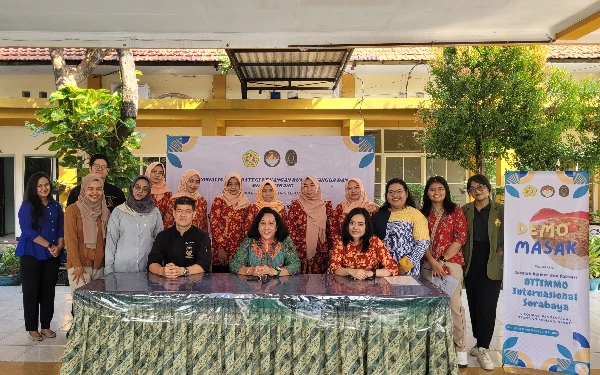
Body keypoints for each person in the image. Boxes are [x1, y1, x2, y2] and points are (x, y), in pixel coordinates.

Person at [420, 176, 468, 368]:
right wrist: (433, 261)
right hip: (428, 265)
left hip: (451, 264)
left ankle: (460, 347)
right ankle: (433, 346)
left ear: (446, 190)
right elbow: (420, 240)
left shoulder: (455, 211)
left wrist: (442, 261)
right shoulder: (422, 213)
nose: (436, 192)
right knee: (430, 307)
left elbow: (460, 237)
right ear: (427, 192)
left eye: (440, 188)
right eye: (432, 189)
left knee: (454, 306)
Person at [462, 174, 504, 371]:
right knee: (474, 304)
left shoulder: (500, 210)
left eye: (480, 187)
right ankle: (478, 343)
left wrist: (502, 249)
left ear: (488, 187)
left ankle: (484, 348)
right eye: (472, 188)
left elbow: (512, 232)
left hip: (491, 260)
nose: (477, 191)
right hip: (471, 260)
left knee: (488, 306)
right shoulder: (465, 210)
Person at [15, 172, 64, 341]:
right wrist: (49, 245)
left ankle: (46, 326)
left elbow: (61, 228)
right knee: (31, 292)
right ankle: (32, 328)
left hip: (52, 255)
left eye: (46, 184)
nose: (44, 188)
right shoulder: (27, 206)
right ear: (34, 188)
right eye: (40, 185)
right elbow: (27, 231)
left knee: (48, 291)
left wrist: (59, 245)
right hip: (31, 254)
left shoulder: (56, 206)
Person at [104, 176, 163, 274]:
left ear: (148, 192)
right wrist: (109, 270)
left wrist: (159, 266)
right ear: (132, 188)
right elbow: (111, 242)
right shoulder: (119, 211)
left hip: (147, 267)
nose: (140, 191)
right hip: (122, 268)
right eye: (137, 187)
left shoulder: (154, 212)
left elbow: (159, 242)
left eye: (145, 189)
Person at [373, 178, 429, 275]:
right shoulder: (379, 215)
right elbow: (373, 242)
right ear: (386, 195)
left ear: (406, 194)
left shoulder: (415, 214)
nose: (395, 195)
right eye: (391, 192)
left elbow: (422, 244)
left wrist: (404, 265)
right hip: (383, 270)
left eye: (399, 191)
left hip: (407, 271)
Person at [65, 174, 110, 293]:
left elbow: (105, 240)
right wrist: (77, 265)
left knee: (97, 307)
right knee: (82, 307)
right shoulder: (72, 210)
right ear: (83, 190)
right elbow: (70, 239)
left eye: (99, 189)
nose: (95, 192)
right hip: (79, 266)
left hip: (99, 266)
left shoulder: (105, 211)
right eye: (90, 189)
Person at [147, 196, 211, 278]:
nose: (183, 215)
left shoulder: (202, 236)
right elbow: (152, 263)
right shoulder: (163, 236)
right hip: (169, 285)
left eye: (188, 211)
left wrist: (183, 271)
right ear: (174, 213)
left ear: (194, 214)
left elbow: (204, 264)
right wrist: (162, 271)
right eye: (179, 211)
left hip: (196, 284)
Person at [329, 207, 399, 278]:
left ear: (366, 226)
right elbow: (334, 268)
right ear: (347, 224)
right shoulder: (340, 242)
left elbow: (392, 268)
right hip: (345, 285)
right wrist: (350, 271)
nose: (355, 228)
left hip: (371, 285)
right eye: (352, 223)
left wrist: (371, 273)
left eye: (360, 224)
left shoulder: (374, 242)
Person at [230, 207, 301, 277]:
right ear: (257, 227)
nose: (266, 228)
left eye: (271, 223)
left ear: (276, 227)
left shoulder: (285, 241)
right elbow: (234, 265)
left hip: (279, 286)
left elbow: (296, 265)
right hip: (253, 287)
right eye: (263, 223)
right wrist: (252, 271)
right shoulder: (249, 241)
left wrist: (274, 271)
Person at [287, 176, 333, 274]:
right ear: (302, 188)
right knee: (299, 285)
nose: (309, 189)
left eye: (312, 185)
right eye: (305, 186)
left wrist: (331, 251)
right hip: (300, 251)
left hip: (320, 251)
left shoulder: (326, 205)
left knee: (318, 284)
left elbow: (330, 231)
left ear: (317, 187)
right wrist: (291, 251)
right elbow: (291, 230)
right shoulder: (296, 205)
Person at [209, 172, 251, 271]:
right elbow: (214, 224)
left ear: (240, 185)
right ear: (226, 185)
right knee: (220, 281)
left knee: (238, 281)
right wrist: (220, 248)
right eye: (230, 184)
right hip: (221, 249)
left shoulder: (245, 203)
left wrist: (245, 249)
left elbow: (247, 227)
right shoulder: (219, 200)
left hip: (239, 249)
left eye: (236, 184)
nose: (233, 187)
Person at [331, 178, 379, 243]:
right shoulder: (340, 208)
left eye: (356, 187)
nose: (353, 191)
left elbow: (376, 231)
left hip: (366, 247)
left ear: (361, 189)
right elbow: (333, 229)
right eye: (349, 188)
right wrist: (339, 245)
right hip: (344, 247)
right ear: (346, 191)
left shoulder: (371, 208)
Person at [145, 162, 172, 228]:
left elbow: (170, 216)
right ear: (149, 172)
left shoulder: (167, 193)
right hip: (145, 229)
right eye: (154, 171)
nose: (157, 175)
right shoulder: (143, 191)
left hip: (163, 231)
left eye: (160, 173)